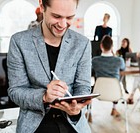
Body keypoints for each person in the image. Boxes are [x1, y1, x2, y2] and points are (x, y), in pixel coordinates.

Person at [7, 0, 92, 133]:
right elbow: (15, 91)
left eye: (69, 17)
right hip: (34, 126)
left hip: (72, 124)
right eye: (57, 16)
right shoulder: (19, 42)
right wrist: (44, 96)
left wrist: (76, 109)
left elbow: (83, 87)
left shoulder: (83, 44)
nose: (63, 24)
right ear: (42, 6)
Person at [92, 35, 125, 117]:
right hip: (115, 92)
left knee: (87, 88)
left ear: (101, 46)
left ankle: (88, 112)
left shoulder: (95, 60)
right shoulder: (119, 60)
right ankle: (114, 109)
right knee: (116, 83)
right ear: (112, 47)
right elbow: (123, 68)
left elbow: (90, 71)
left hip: (98, 92)